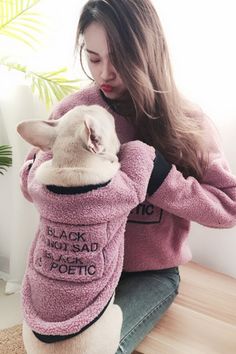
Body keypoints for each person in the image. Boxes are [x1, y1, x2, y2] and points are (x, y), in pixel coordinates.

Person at [24, 0, 236, 353]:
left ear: (148, 53)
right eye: (94, 58)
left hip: (149, 274)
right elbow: (35, 189)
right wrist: (38, 172)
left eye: (120, 59)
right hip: (81, 268)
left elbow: (229, 208)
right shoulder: (74, 113)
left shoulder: (188, 123)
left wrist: (160, 181)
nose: (105, 73)